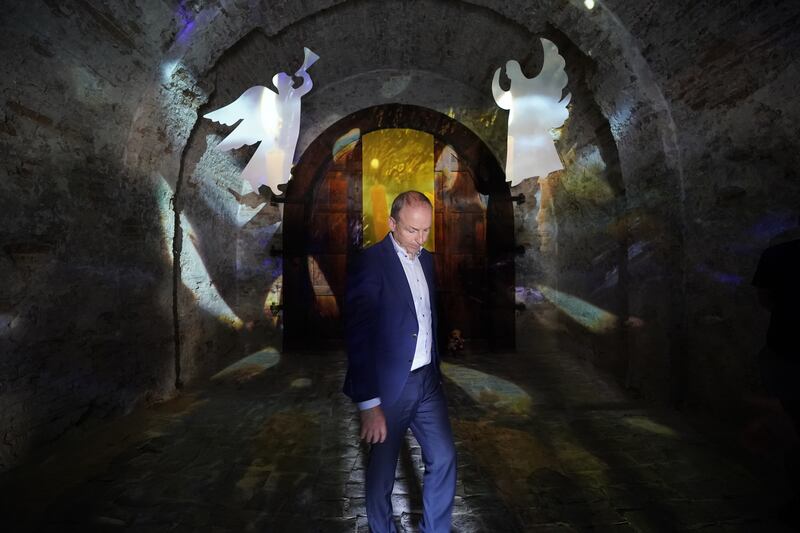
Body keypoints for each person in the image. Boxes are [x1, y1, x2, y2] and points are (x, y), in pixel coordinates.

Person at [343, 191, 457, 533]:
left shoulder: (427, 260)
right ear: (392, 223)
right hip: (389, 385)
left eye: (426, 231)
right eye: (411, 231)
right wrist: (369, 403)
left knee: (445, 456)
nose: (420, 240)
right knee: (381, 472)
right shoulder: (370, 263)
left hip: (427, 382)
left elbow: (424, 313)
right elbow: (358, 337)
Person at [752, 215, 800, 522]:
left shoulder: (778, 255)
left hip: (787, 350)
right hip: (785, 352)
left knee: (794, 425)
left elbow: (765, 299)